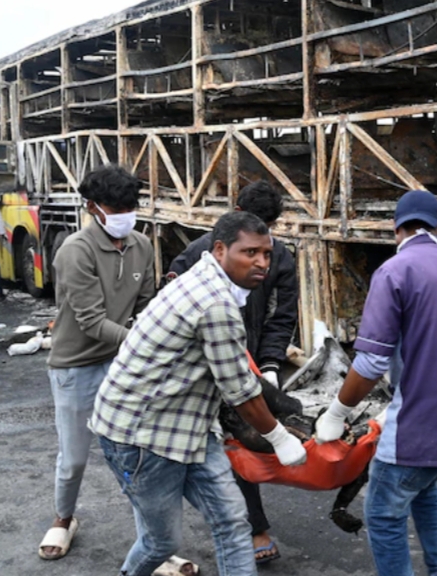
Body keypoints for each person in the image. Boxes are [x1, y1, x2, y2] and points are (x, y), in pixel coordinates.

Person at [90, 211, 307, 576]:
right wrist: (280, 438)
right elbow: (240, 392)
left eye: (267, 254)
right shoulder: (215, 303)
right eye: (250, 252)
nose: (261, 263)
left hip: (190, 427)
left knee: (234, 522)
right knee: (162, 542)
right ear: (220, 249)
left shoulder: (209, 281)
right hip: (140, 436)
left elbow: (239, 377)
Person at [315, 190, 437, 576]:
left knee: (382, 513)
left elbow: (372, 360)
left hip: (423, 418)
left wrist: (336, 412)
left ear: (396, 230)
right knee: (423, 490)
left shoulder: (395, 271)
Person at [167, 181, 298, 564]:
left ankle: (246, 525)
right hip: (200, 364)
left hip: (250, 360)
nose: (260, 257)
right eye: (250, 248)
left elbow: (282, 315)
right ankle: (245, 528)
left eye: (268, 230)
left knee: (238, 439)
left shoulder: (280, 257)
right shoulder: (197, 253)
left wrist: (271, 364)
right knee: (198, 445)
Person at [38, 165, 158, 562]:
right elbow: (91, 322)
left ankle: (154, 544)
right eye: (115, 206)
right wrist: (147, 342)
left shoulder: (142, 245)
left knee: (139, 456)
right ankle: (63, 517)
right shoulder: (75, 250)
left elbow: (146, 306)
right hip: (75, 364)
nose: (125, 213)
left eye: (131, 205)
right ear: (92, 207)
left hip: (122, 362)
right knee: (73, 457)